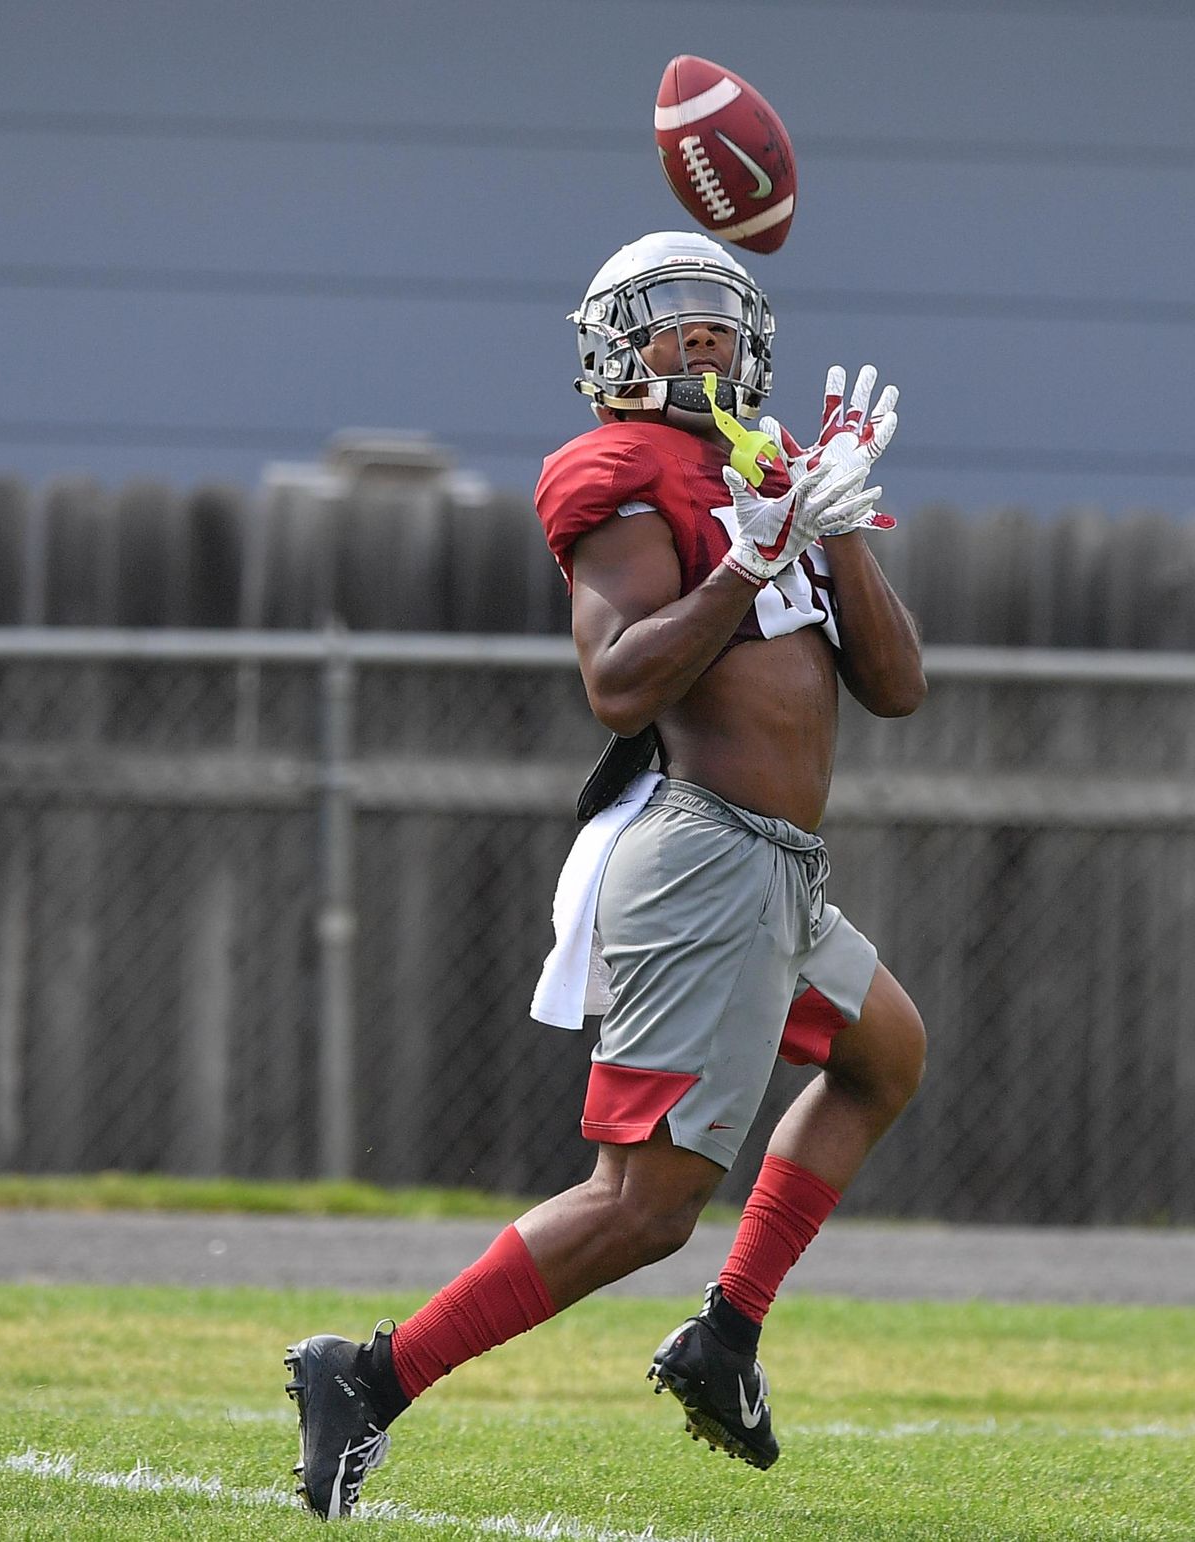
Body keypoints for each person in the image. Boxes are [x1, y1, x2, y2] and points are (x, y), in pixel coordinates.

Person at [283, 229, 927, 1518]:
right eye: (669, 324)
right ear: (611, 351)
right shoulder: (618, 471)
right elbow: (617, 681)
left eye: (718, 322)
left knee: (885, 1057)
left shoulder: (769, 467)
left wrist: (834, 524)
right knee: (640, 1207)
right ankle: (369, 1374)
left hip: (779, 871)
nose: (701, 343)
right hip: (702, 859)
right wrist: (748, 562)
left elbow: (897, 688)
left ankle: (725, 1339)